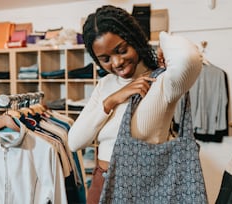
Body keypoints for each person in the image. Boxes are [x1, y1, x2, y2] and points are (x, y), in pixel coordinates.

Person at [68, 5, 203, 204]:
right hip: (102, 182)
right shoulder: (105, 85)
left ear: (135, 39)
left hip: (145, 188)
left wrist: (162, 45)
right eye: (105, 59)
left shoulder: (163, 82)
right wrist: (113, 99)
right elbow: (74, 142)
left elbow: (189, 57)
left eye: (121, 50)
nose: (116, 63)